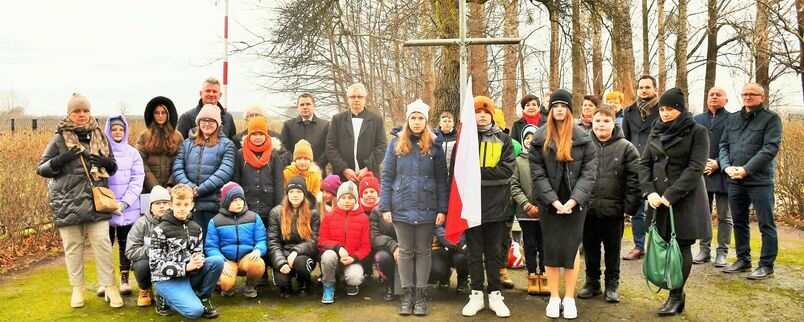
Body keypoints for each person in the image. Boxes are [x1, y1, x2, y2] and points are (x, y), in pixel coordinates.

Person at [37, 93, 122, 308]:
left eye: (85, 111)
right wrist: (60, 160)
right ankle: (78, 288)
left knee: (103, 244)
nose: (82, 115)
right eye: (77, 111)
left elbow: (112, 167)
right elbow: (42, 168)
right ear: (69, 114)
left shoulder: (99, 135)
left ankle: (110, 286)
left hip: (96, 199)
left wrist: (106, 162)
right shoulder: (59, 138)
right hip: (67, 201)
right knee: (73, 246)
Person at [637, 88, 712, 316]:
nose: (665, 113)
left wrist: (672, 194)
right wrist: (649, 192)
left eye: (670, 109)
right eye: (662, 109)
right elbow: (644, 164)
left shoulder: (697, 131)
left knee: (681, 246)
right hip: (657, 199)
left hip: (684, 199)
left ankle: (676, 295)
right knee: (662, 245)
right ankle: (671, 289)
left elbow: (696, 167)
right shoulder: (655, 131)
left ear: (680, 109)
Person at [529, 89, 597, 319]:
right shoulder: (539, 140)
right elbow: (537, 175)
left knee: (570, 250)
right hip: (550, 204)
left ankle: (569, 297)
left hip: (575, 204)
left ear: (569, 110)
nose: (559, 109)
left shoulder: (584, 139)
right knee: (551, 249)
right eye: (555, 106)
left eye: (563, 106)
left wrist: (574, 200)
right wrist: (554, 201)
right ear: (550, 110)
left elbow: (589, 174)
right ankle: (554, 296)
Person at [379, 99, 448, 316]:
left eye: (421, 118)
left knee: (424, 251)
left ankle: (420, 294)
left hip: (428, 208)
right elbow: (387, 176)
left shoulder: (435, 147)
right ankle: (407, 293)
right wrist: (385, 206)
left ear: (426, 121)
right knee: (406, 252)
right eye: (413, 118)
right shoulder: (395, 145)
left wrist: (442, 209)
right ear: (408, 120)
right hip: (401, 207)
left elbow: (441, 180)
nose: (417, 122)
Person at [577, 105, 641, 303]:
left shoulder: (626, 148)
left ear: (614, 123)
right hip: (587, 210)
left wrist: (628, 207)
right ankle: (592, 282)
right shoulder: (583, 145)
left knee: (613, 249)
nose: (601, 125)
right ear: (591, 123)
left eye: (606, 121)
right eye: (597, 121)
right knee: (590, 248)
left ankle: (612, 284)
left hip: (615, 211)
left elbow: (635, 180)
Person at [720, 83, 782, 280]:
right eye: (745, 94)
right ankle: (743, 260)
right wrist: (726, 166)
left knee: (766, 224)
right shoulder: (732, 118)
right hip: (735, 179)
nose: (747, 97)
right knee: (739, 221)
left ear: (761, 97)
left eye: (752, 94)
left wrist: (746, 170)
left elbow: (770, 148)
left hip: (760, 181)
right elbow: (723, 145)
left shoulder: (771, 119)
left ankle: (766, 265)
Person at [460, 96, 515, 318]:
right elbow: (459, 173)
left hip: (496, 206)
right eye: (477, 112)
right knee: (474, 253)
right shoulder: (465, 141)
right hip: (471, 206)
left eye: (486, 112)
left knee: (494, 252)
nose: (482, 115)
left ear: (492, 115)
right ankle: (475, 294)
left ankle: (494, 294)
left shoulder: (504, 139)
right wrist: (473, 178)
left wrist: (476, 174)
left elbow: (506, 171)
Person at [149, 184, 224, 318]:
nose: (182, 208)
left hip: (188, 275)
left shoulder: (196, 228)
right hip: (167, 279)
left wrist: (198, 260)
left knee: (216, 261)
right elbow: (155, 266)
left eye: (186, 204)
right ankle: (163, 297)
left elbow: (198, 252)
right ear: (171, 205)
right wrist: (185, 267)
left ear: (192, 205)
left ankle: (203, 298)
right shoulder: (159, 230)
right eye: (178, 204)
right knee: (194, 312)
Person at [172, 104, 237, 235]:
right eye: (204, 120)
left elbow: (225, 172)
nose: (207, 124)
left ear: (218, 123)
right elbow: (178, 167)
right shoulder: (187, 143)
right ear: (198, 122)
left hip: (213, 205)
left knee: (210, 244)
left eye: (211, 120)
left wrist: (200, 190)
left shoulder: (227, 145)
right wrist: (190, 188)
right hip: (189, 204)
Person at [104, 114, 145, 297]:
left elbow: (137, 179)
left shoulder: (133, 153)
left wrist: (124, 202)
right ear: (108, 131)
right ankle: (105, 281)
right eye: (114, 129)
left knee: (125, 243)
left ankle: (124, 278)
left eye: (121, 129)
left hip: (128, 207)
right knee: (105, 244)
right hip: (105, 206)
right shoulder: (102, 152)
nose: (118, 132)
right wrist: (109, 202)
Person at [692, 86, 733, 267]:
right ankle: (704, 250)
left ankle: (722, 252)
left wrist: (718, 163)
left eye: (718, 95)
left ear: (726, 100)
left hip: (723, 172)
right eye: (711, 94)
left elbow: (737, 146)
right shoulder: (697, 120)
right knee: (703, 214)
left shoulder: (733, 120)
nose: (714, 97)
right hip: (702, 174)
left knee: (725, 216)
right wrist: (699, 164)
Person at [205, 182, 268, 298]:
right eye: (234, 200)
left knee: (258, 264)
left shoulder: (254, 217)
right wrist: (221, 261)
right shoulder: (215, 221)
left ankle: (250, 286)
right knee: (225, 283)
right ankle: (224, 287)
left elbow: (262, 239)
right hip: (227, 260)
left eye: (240, 199)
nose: (238, 203)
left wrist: (258, 250)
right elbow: (211, 247)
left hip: (247, 257)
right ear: (226, 201)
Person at [621, 75, 660, 261]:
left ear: (655, 89)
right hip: (636, 164)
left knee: (656, 207)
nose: (644, 91)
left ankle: (657, 246)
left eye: (647, 87)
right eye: (641, 87)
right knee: (637, 209)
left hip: (658, 163)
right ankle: (638, 246)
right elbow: (625, 139)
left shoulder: (663, 110)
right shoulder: (629, 111)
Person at [510, 124, 549, 295]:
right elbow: (514, 185)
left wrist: (544, 205)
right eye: (527, 137)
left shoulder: (547, 159)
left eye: (534, 137)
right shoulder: (518, 161)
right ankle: (532, 274)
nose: (530, 140)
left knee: (545, 244)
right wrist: (526, 204)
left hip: (545, 212)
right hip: (525, 213)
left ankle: (545, 274)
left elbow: (551, 184)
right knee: (530, 244)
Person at [317, 181, 372, 304]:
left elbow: (366, 246)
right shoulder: (329, 216)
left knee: (355, 277)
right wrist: (338, 247)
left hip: (352, 259)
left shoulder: (364, 219)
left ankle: (350, 283)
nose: (347, 201)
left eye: (350, 198)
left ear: (356, 199)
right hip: (334, 257)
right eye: (343, 197)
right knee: (328, 255)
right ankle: (328, 285)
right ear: (338, 199)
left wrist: (353, 258)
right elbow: (321, 240)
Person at [268, 176, 321, 297]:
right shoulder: (276, 212)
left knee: (301, 264)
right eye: (291, 192)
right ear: (287, 194)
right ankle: (286, 283)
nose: (295, 195)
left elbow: (314, 241)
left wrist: (295, 252)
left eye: (298, 191)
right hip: (283, 255)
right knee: (282, 283)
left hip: (303, 255)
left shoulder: (313, 213)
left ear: (304, 194)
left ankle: (304, 282)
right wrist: (281, 263)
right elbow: (273, 242)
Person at [326, 83, 387, 182]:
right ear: (348, 98)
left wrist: (367, 168)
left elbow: (382, 146)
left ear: (365, 98)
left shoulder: (376, 120)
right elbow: (330, 146)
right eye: (353, 97)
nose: (356, 99)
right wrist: (344, 169)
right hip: (343, 177)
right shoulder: (338, 119)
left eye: (359, 96)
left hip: (369, 175)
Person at [233, 115, 286, 223]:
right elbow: (236, 180)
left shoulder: (274, 155)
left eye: (261, 134)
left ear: (266, 135)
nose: (258, 137)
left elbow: (279, 183)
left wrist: (278, 209)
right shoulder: (240, 154)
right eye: (254, 134)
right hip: (246, 207)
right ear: (249, 135)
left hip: (268, 207)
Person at [125, 185, 171, 307]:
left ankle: (171, 290)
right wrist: (153, 249)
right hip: (149, 260)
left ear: (170, 204)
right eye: (157, 203)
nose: (162, 206)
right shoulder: (141, 224)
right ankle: (145, 288)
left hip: (172, 261)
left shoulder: (177, 221)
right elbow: (130, 251)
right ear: (150, 206)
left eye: (165, 202)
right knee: (141, 265)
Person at [136, 96, 184, 193]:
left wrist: (171, 184)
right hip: (150, 189)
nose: (160, 115)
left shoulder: (177, 136)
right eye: (157, 113)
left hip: (172, 189)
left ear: (168, 114)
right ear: (153, 115)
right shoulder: (144, 136)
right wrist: (155, 187)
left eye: (163, 113)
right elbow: (140, 163)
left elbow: (181, 161)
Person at [281, 93, 330, 171]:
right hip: (294, 172)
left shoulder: (325, 125)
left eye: (308, 104)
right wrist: (296, 164)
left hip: (318, 172)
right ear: (298, 107)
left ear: (314, 106)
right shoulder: (288, 125)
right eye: (302, 105)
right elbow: (284, 148)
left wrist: (316, 166)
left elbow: (328, 149)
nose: (305, 107)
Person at [431, 226, 469, 294]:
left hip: (461, 249)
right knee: (435, 268)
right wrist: (455, 243)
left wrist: (461, 244)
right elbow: (436, 227)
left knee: (462, 258)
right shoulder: (440, 215)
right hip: (442, 247)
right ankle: (444, 277)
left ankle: (463, 280)